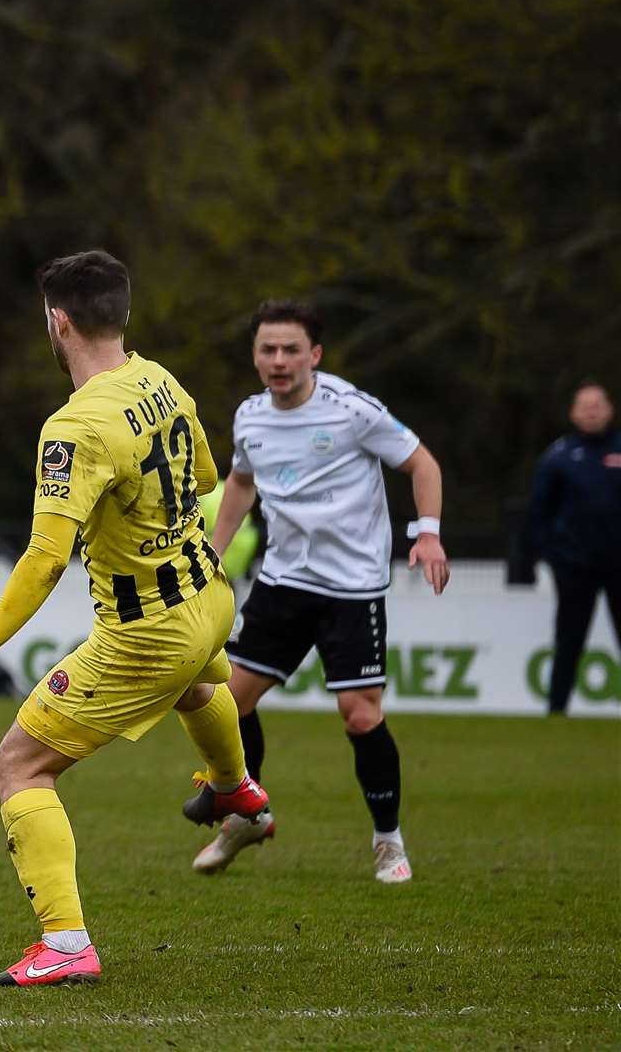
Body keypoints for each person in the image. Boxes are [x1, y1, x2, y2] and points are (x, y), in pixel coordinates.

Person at [0, 251, 269, 987]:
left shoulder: (74, 429)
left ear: (59, 321)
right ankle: (237, 787)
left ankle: (67, 943)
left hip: (146, 633)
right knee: (199, 688)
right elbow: (205, 478)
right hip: (208, 596)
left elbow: (45, 560)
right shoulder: (161, 380)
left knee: (18, 767)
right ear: (123, 314)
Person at [204, 299, 449, 884]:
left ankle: (388, 841)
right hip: (284, 581)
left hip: (352, 587)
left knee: (360, 717)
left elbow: (423, 465)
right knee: (228, 704)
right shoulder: (250, 417)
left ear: (315, 354)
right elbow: (240, 482)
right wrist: (213, 549)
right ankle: (247, 815)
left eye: (291, 349)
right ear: (256, 356)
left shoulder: (352, 411)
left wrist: (429, 535)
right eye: (268, 349)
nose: (279, 360)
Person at [527, 381, 620, 715]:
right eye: (585, 405)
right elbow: (538, 512)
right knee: (569, 640)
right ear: (574, 413)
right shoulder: (559, 456)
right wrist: (552, 556)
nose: (592, 411)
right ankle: (557, 710)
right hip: (575, 566)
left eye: (598, 404)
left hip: (618, 565)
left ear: (609, 409)